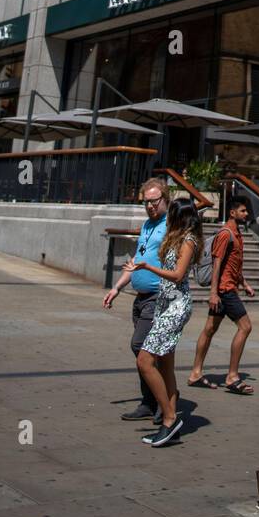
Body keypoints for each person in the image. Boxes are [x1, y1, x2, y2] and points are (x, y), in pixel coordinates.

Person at [132, 200, 202, 447]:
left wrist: (148, 267)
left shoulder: (189, 240)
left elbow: (178, 275)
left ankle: (170, 418)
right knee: (165, 364)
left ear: (178, 216)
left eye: (171, 213)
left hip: (175, 307)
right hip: (164, 305)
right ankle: (170, 421)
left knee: (145, 360)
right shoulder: (176, 236)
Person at [102, 177, 169, 422]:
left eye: (154, 201)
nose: (150, 206)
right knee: (147, 352)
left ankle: (165, 401)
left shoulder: (170, 224)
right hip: (140, 298)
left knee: (142, 348)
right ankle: (150, 402)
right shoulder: (147, 226)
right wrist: (117, 287)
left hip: (157, 297)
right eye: (146, 202)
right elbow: (134, 261)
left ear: (165, 198)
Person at [188, 196, 256, 394]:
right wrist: (213, 293)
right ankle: (232, 377)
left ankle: (195, 374)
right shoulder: (226, 234)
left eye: (246, 211)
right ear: (232, 212)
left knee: (209, 329)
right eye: (242, 211)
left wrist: (245, 284)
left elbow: (232, 265)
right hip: (224, 291)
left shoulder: (237, 234)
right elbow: (217, 264)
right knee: (245, 327)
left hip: (227, 288)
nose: (246, 214)